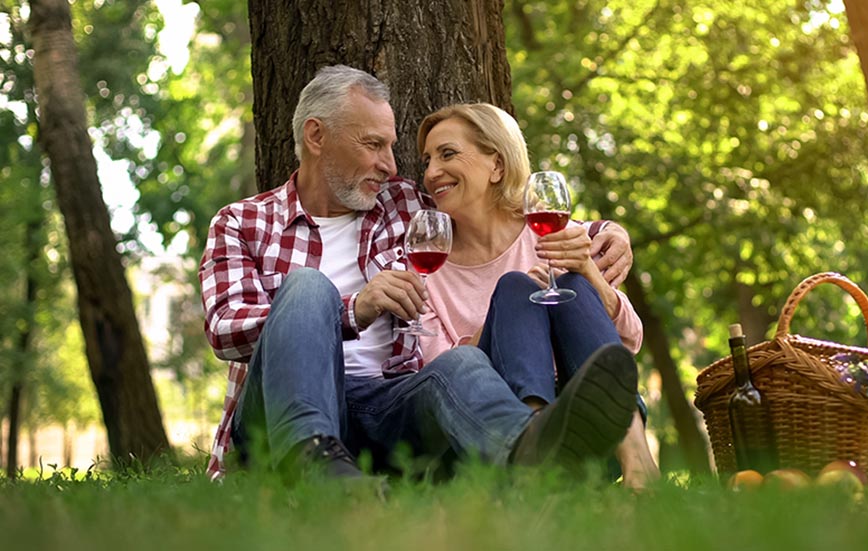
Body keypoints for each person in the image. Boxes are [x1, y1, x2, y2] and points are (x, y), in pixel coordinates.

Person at [199, 65, 641, 484]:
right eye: (373, 145)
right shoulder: (244, 223)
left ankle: (532, 452)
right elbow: (223, 330)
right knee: (308, 288)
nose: (391, 165)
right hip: (279, 414)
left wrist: (608, 233)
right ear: (317, 136)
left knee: (462, 361)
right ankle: (314, 465)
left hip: (390, 404)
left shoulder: (406, 205)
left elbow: (495, 210)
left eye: (391, 147)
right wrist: (354, 309)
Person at [416, 103, 660, 490]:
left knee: (575, 285)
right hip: (492, 434)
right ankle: (534, 447)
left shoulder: (550, 231)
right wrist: (511, 314)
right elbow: (443, 377)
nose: (431, 173)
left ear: (497, 165)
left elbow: (629, 339)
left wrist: (589, 272)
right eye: (427, 160)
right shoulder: (427, 269)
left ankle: (636, 457)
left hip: (591, 421)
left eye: (447, 154)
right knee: (516, 289)